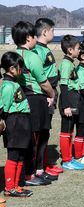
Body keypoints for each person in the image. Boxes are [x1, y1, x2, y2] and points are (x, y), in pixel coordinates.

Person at [13, 21, 56, 186]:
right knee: (37, 138)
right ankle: (31, 174)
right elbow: (43, 81)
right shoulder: (32, 56)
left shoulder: (14, 54)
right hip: (36, 99)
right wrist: (52, 94)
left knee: (33, 138)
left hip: (23, 98)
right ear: (28, 37)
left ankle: (35, 171)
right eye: (32, 36)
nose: (34, 39)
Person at [33, 18, 64, 177]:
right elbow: (38, 76)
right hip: (45, 95)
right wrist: (47, 94)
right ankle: (39, 167)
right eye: (52, 30)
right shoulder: (37, 50)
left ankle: (44, 164)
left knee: (45, 131)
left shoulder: (45, 49)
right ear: (45, 32)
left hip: (51, 93)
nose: (54, 33)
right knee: (41, 133)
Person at [0, 52, 34, 198]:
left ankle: (16, 185)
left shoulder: (14, 83)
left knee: (21, 155)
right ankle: (9, 187)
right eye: (21, 67)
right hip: (14, 122)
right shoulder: (8, 86)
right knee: (13, 155)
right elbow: (3, 109)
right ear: (12, 69)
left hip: (23, 122)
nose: (22, 70)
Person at [58, 35, 84, 170]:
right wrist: (66, 106)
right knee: (66, 131)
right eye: (77, 48)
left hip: (74, 98)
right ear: (70, 50)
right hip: (68, 99)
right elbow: (63, 86)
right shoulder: (65, 64)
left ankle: (70, 158)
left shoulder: (70, 63)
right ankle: (66, 160)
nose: (79, 50)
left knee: (71, 131)